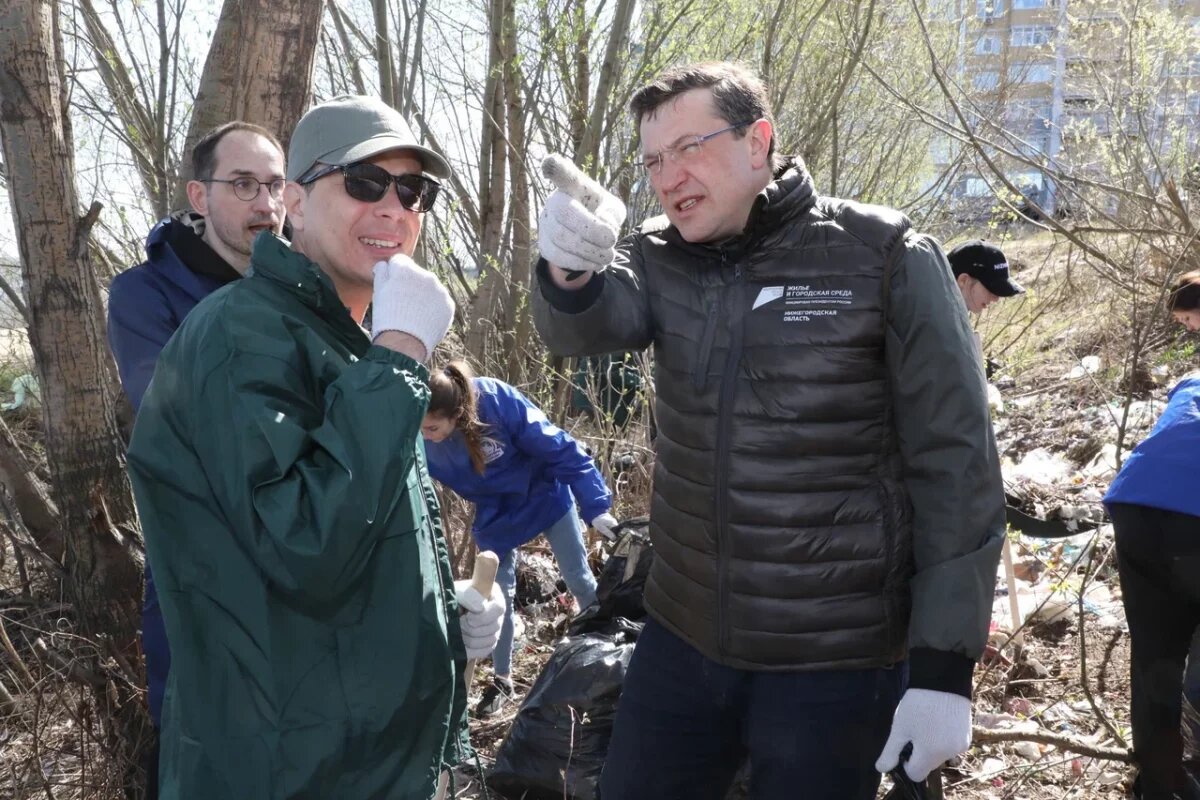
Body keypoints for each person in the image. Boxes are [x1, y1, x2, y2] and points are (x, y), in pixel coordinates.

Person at [533, 62, 1004, 799]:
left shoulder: (884, 256)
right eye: (654, 159)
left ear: (759, 142)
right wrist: (570, 271)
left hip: (834, 664)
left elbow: (957, 462)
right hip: (681, 643)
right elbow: (590, 326)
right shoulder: (661, 259)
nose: (668, 176)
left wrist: (944, 669)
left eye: (690, 147)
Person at [124, 95, 504, 800]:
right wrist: (399, 358)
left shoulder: (344, 341)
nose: (393, 208)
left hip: (361, 756)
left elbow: (357, 532)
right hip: (283, 769)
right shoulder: (241, 336)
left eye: (412, 190)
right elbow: (305, 545)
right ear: (294, 202)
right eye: (363, 183)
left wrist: (437, 611)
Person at [107, 121, 287, 796]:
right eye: (242, 184)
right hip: (201, 571)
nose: (264, 202)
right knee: (201, 752)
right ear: (199, 195)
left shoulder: (307, 286)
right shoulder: (145, 296)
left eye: (274, 184)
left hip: (304, 562)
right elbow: (179, 421)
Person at [420, 360, 618, 717]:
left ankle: (604, 650)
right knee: (497, 595)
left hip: (544, 494)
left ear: (455, 415)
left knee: (577, 576)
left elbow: (559, 446)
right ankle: (502, 679)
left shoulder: (495, 401)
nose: (426, 436)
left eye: (432, 427)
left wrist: (596, 505)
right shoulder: (423, 436)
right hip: (496, 512)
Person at [1104, 273, 1200, 800]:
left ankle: (1160, 786)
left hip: (1138, 505)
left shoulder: (1189, 385)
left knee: (1156, 656)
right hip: (1191, 511)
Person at [947, 239, 1025, 314]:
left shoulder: (948, 316)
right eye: (991, 289)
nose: (996, 299)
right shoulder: (940, 322)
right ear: (963, 281)